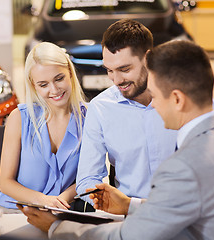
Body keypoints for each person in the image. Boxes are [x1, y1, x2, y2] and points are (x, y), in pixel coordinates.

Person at [19, 40, 214, 239]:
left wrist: (56, 227)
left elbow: (126, 237)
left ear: (177, 99)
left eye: (156, 97)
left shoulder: (182, 168)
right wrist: (129, 205)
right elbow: (184, 209)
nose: (152, 106)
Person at [75, 19, 177, 206]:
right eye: (110, 71)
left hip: (183, 212)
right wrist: (97, 195)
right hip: (128, 215)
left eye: (124, 69)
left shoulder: (181, 95)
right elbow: (87, 179)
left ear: (148, 58)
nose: (116, 80)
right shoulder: (100, 108)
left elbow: (212, 162)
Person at [0, 42, 87, 211]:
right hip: (14, 211)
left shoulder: (88, 118)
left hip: (61, 212)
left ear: (70, 74)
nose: (54, 90)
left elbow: (89, 177)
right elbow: (5, 182)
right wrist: (42, 200)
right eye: (43, 84)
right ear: (33, 85)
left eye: (59, 79)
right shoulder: (20, 118)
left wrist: (60, 201)